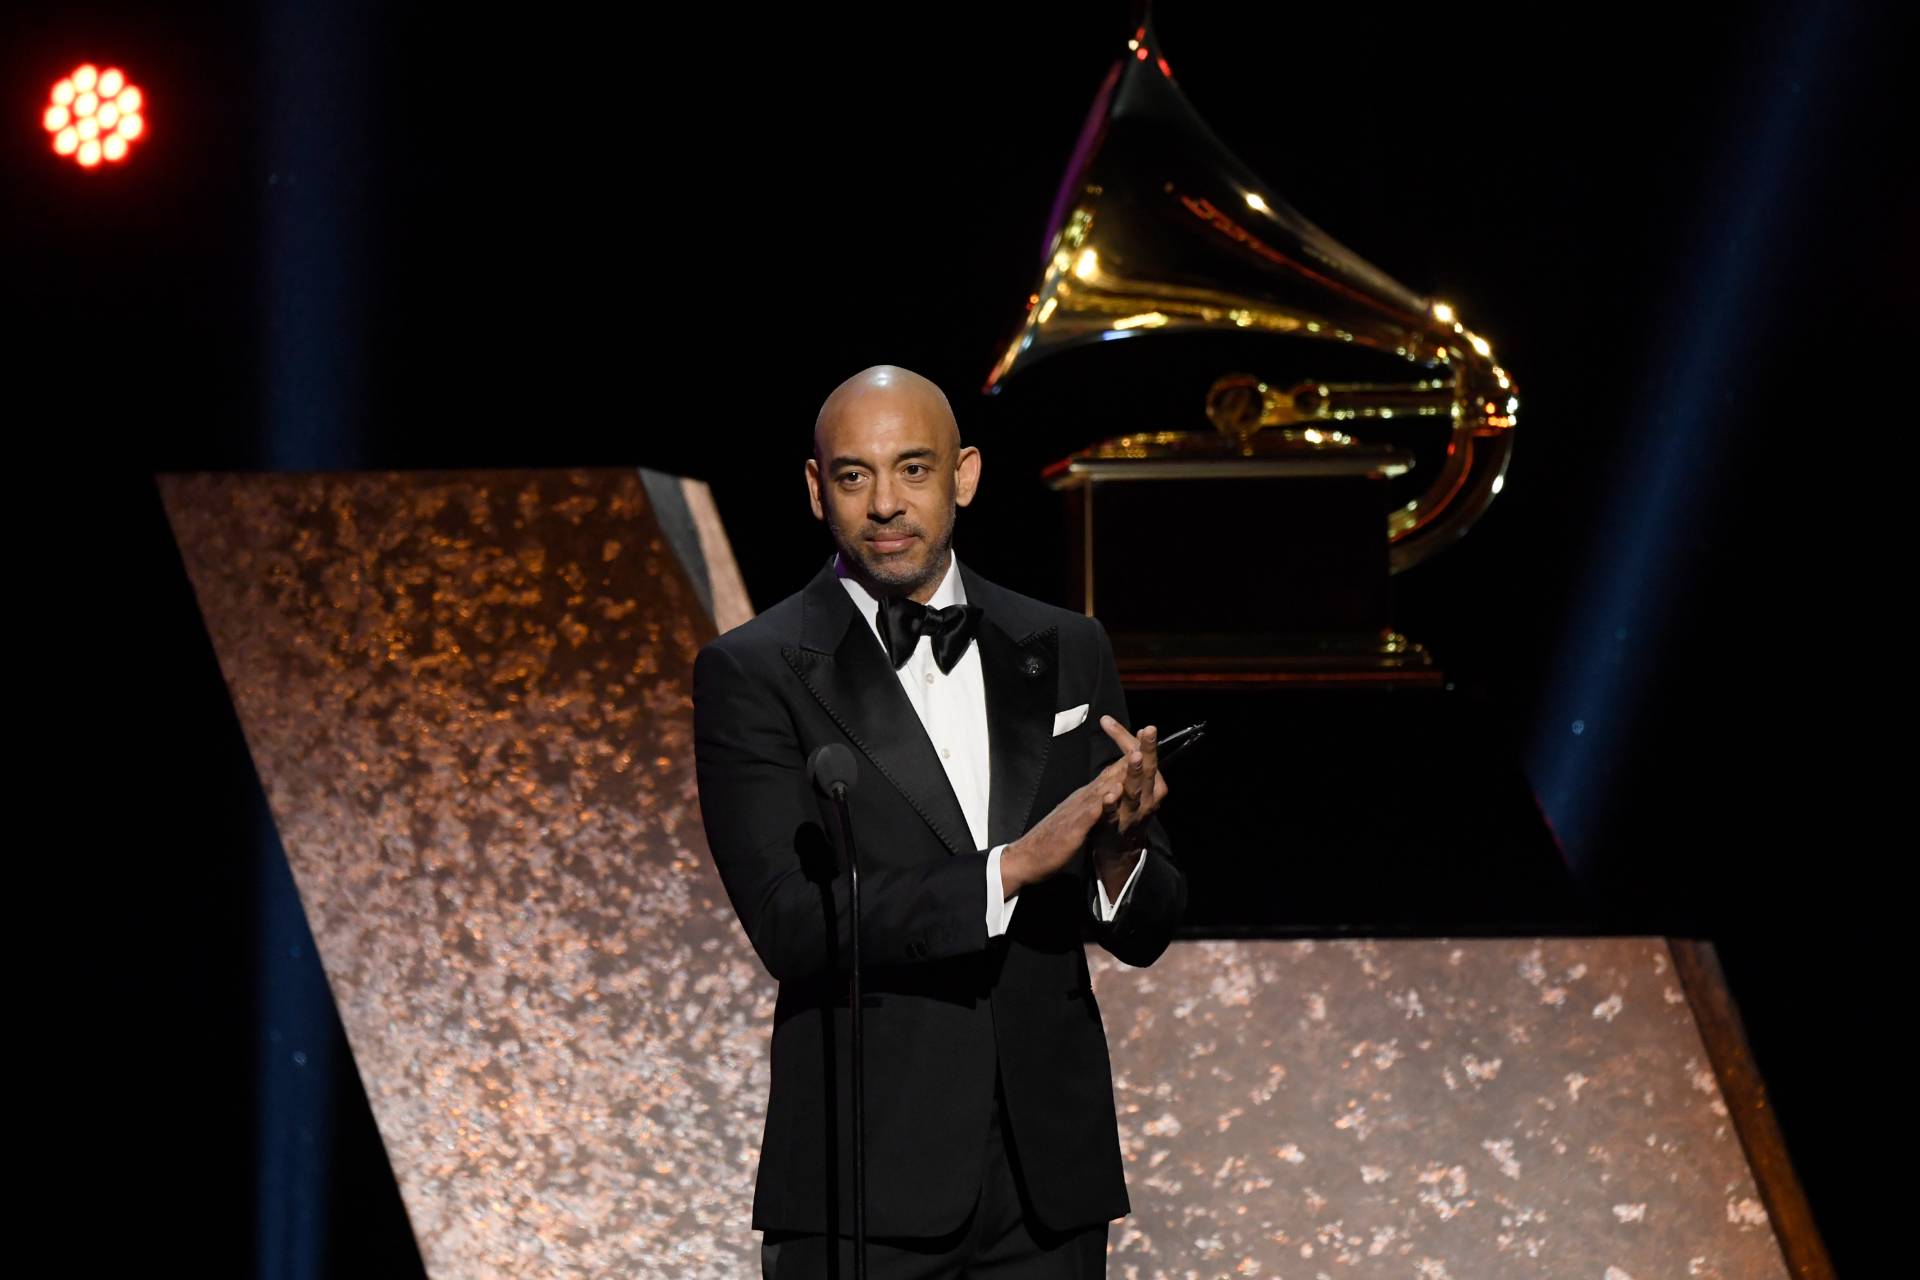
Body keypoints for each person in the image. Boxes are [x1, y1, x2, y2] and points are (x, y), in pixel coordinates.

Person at [692, 364, 1185, 1278]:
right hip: (864, 1182)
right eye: (854, 476)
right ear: (815, 490)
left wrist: (1117, 854)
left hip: (1050, 1185)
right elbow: (794, 924)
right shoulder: (753, 670)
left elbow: (1150, 925)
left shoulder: (1068, 646)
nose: (885, 503)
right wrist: (1009, 870)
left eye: (912, 470)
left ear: (963, 475)